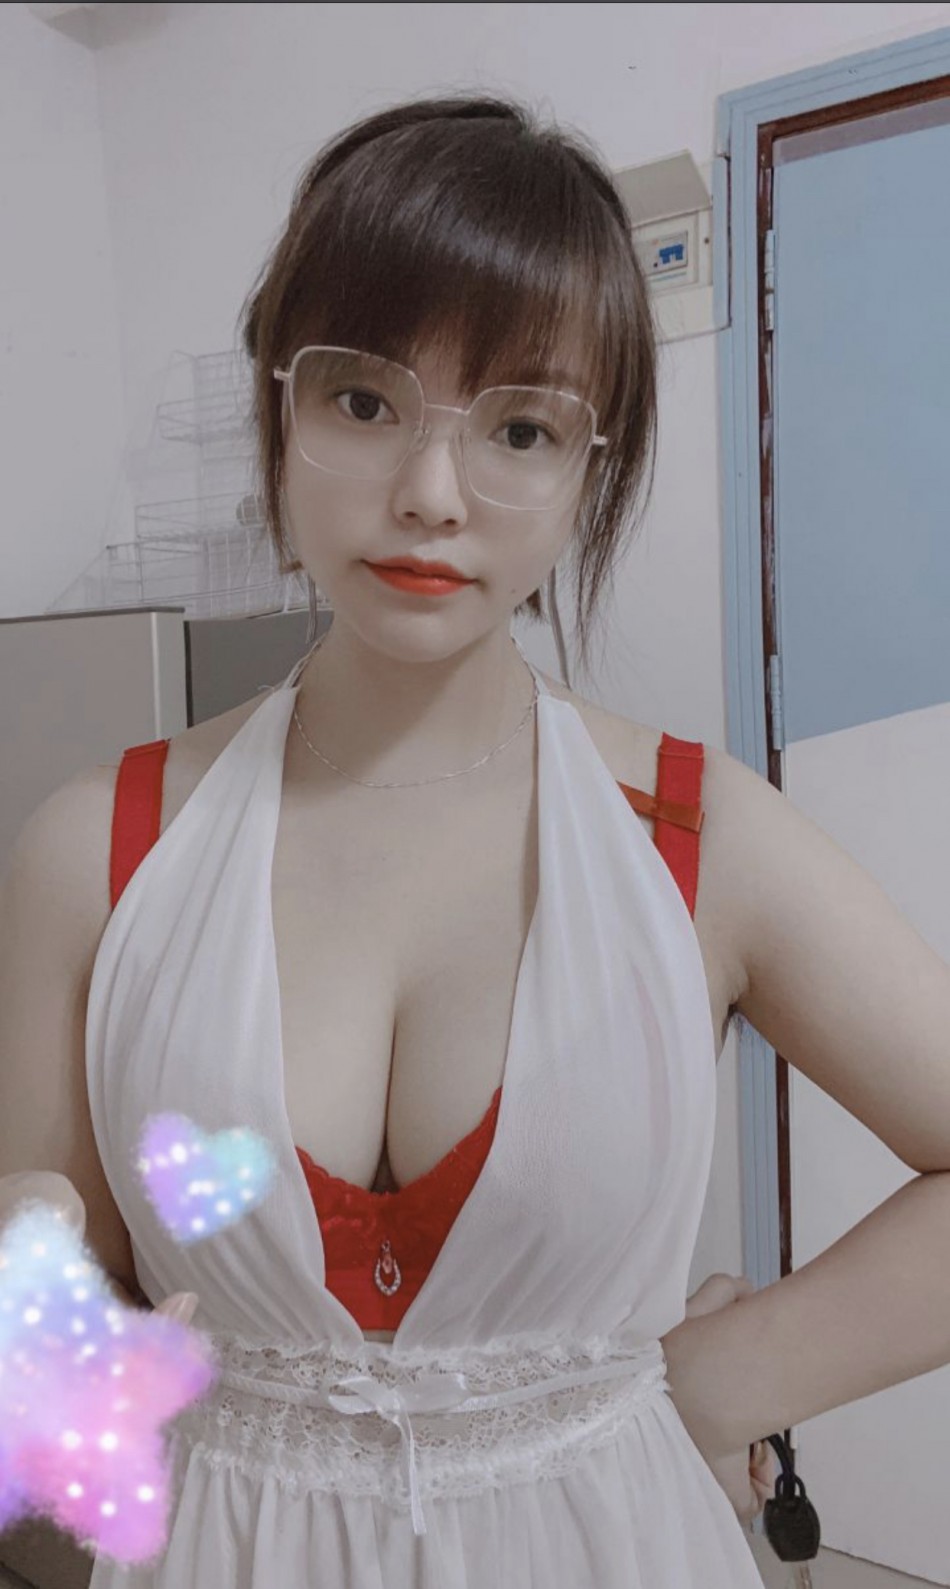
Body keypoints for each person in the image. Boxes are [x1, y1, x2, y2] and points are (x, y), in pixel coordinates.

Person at [4, 91, 948, 1589]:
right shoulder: (96, 850)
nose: (429, 496)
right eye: (363, 402)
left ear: (591, 470)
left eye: (518, 427)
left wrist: (723, 1383)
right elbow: (57, 1301)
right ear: (279, 411)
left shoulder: (700, 839)